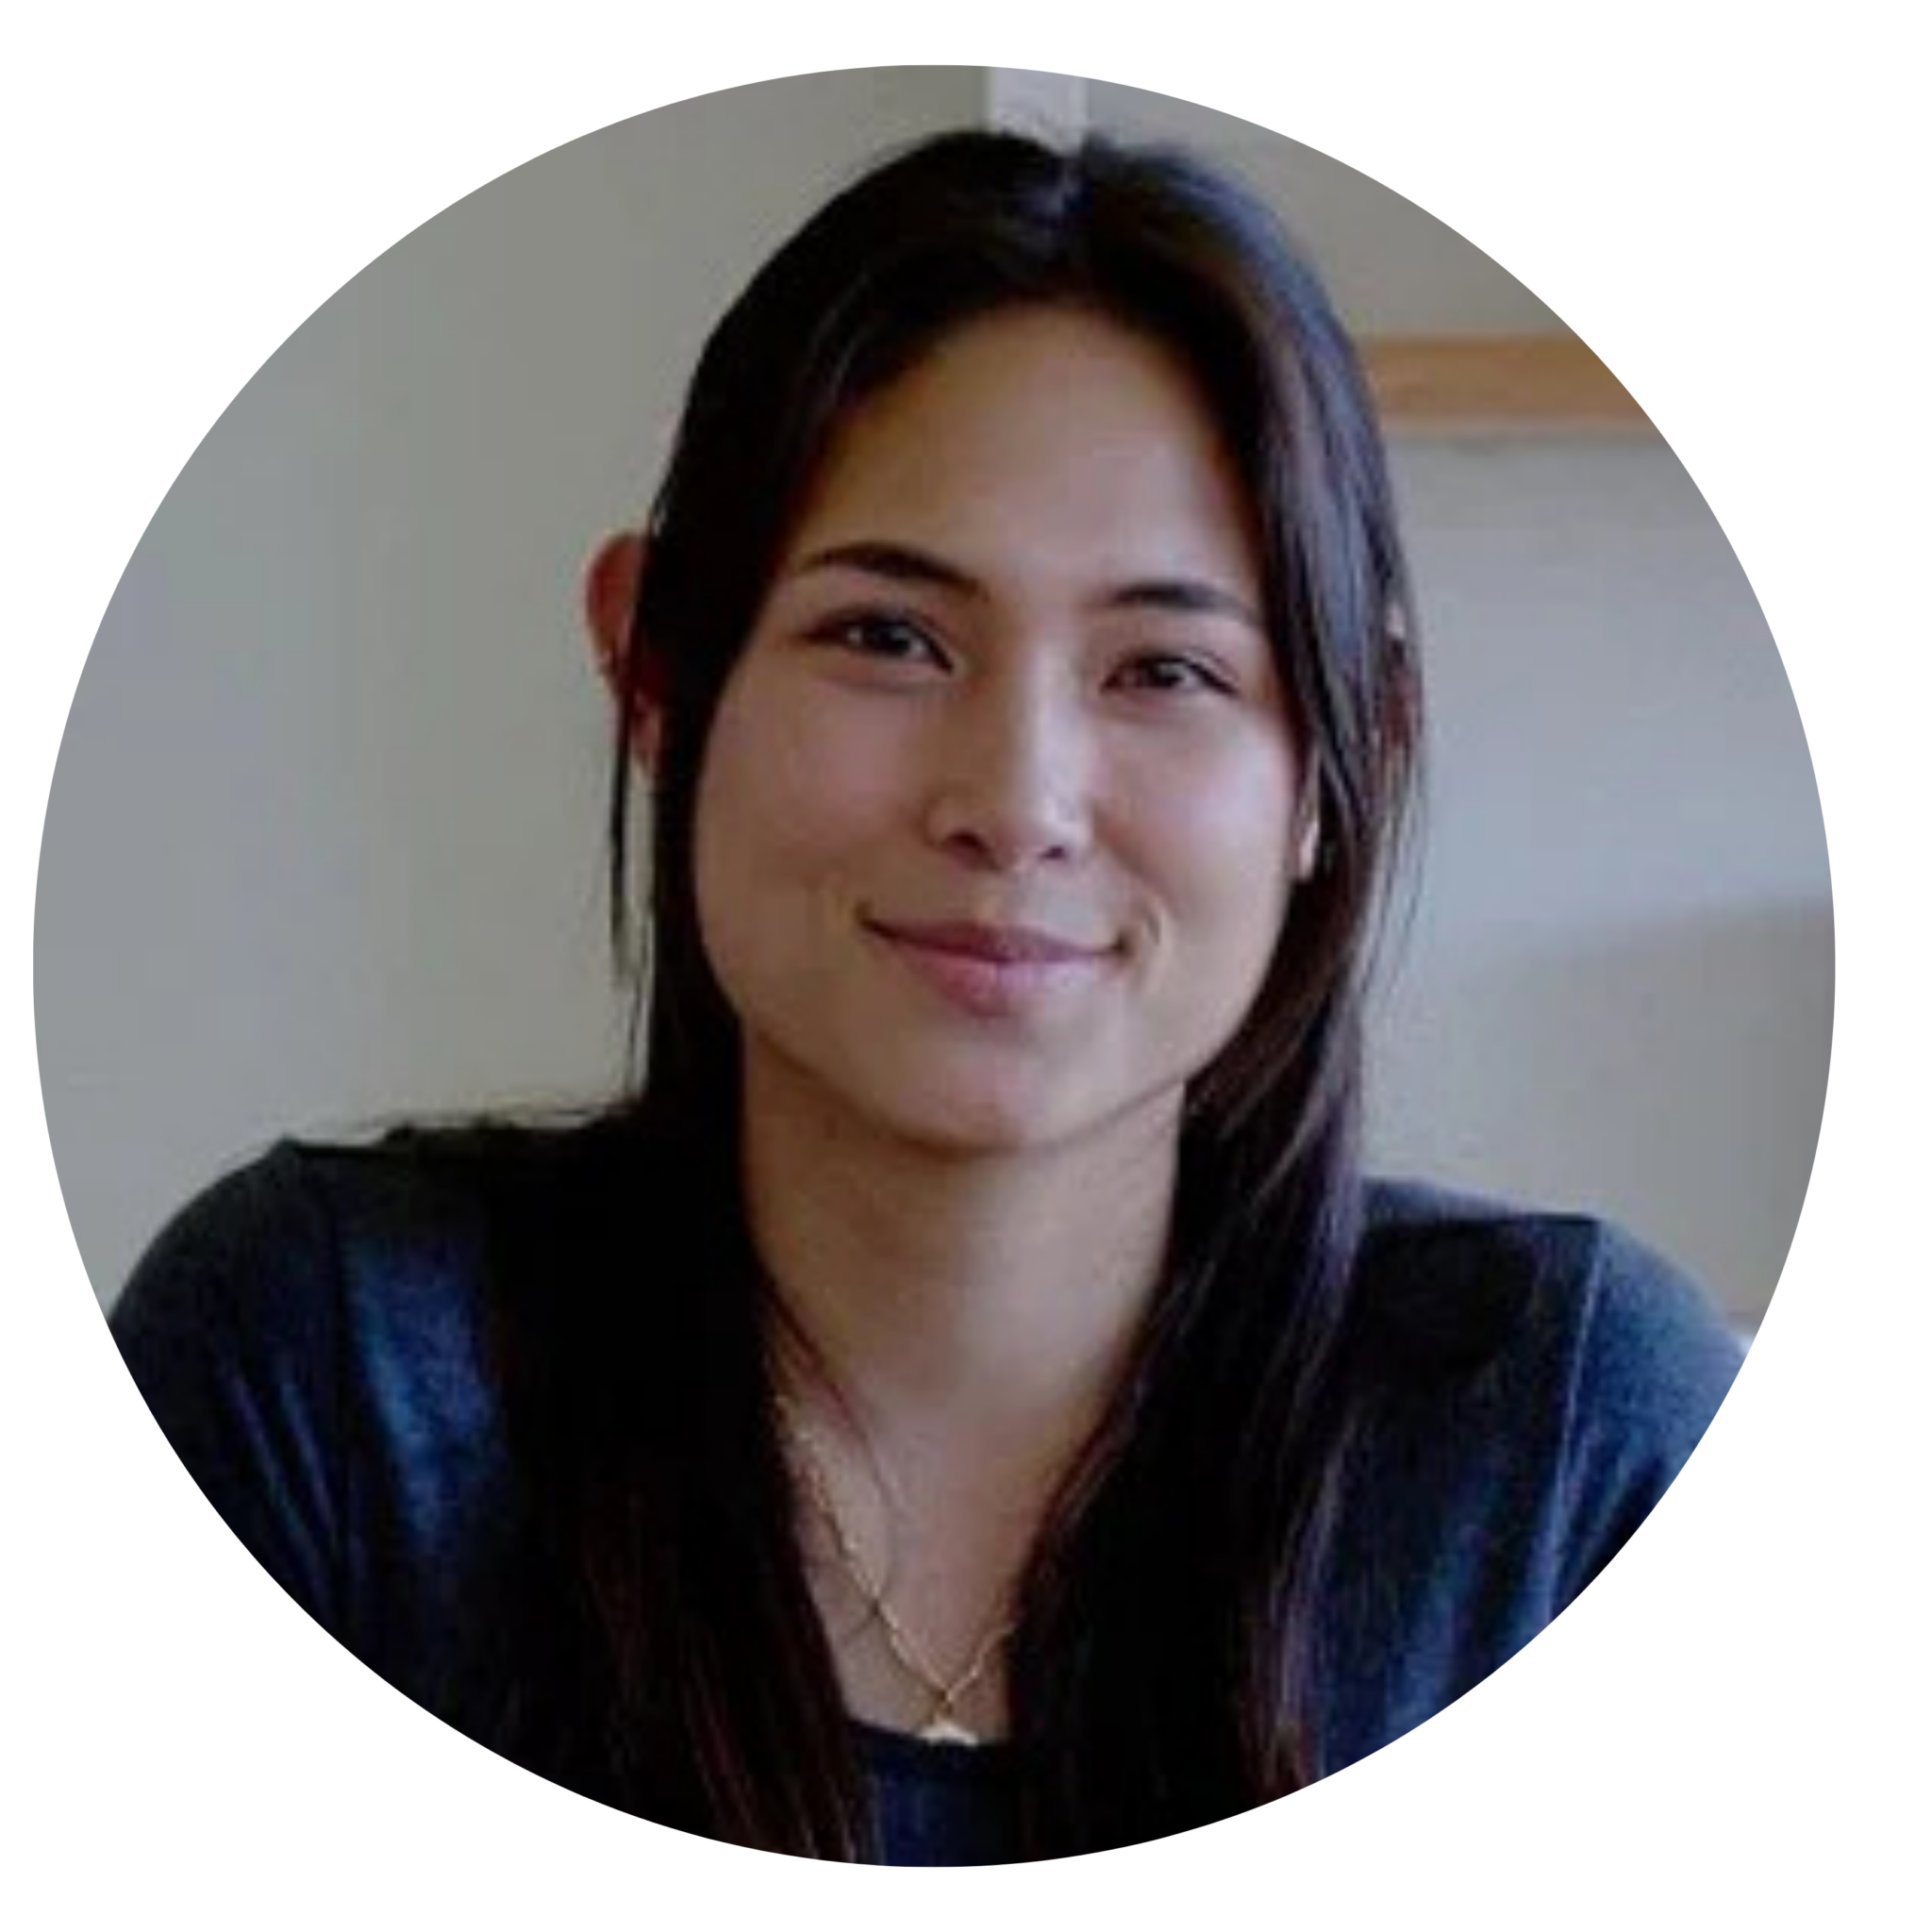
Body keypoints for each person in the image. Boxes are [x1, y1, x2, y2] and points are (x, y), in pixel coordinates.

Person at [109, 127, 1743, 1864]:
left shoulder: (1572, 1450)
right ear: (656, 668)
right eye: (890, 637)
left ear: (1346, 763)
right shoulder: (315, 1378)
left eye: (1166, 669)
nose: (1016, 801)